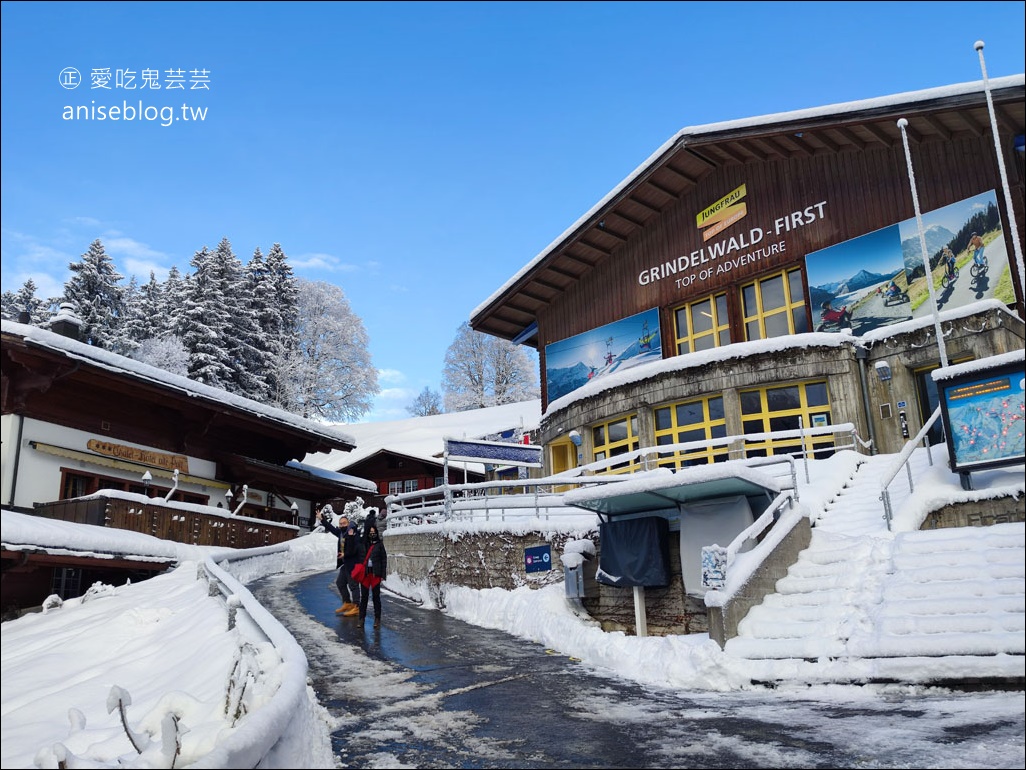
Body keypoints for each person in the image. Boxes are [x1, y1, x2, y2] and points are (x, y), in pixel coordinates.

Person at [318, 506, 361, 616]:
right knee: (340, 583)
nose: (342, 525)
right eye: (340, 523)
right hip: (345, 564)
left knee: (353, 585)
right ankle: (347, 603)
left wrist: (345, 554)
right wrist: (322, 519)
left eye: (344, 523)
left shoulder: (353, 534)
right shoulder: (341, 533)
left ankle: (357, 607)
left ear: (348, 523)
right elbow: (332, 528)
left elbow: (355, 550)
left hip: (353, 564)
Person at [356, 522, 387, 628]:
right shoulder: (363, 544)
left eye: (373, 532)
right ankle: (361, 618)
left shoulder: (379, 545)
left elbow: (384, 559)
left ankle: (377, 618)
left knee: (376, 597)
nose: (372, 534)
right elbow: (359, 556)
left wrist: (383, 574)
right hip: (365, 574)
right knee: (363, 597)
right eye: (370, 532)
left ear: (376, 533)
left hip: (375, 574)